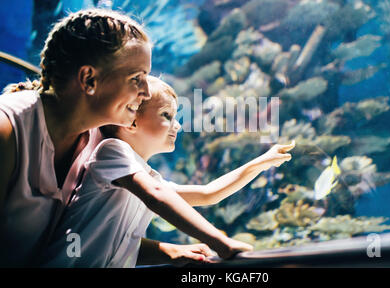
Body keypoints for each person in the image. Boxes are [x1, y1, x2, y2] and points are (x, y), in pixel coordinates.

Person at [43, 76, 295, 267]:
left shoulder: (144, 175)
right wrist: (221, 243)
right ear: (130, 120)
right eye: (166, 115)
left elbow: (208, 194)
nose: (177, 125)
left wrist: (260, 163)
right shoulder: (112, 151)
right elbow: (156, 196)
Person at [0, 8, 153, 267]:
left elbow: (97, 237)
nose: (147, 93)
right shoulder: (7, 130)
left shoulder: (103, 144)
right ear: (88, 78)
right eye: (136, 78)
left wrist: (177, 254)